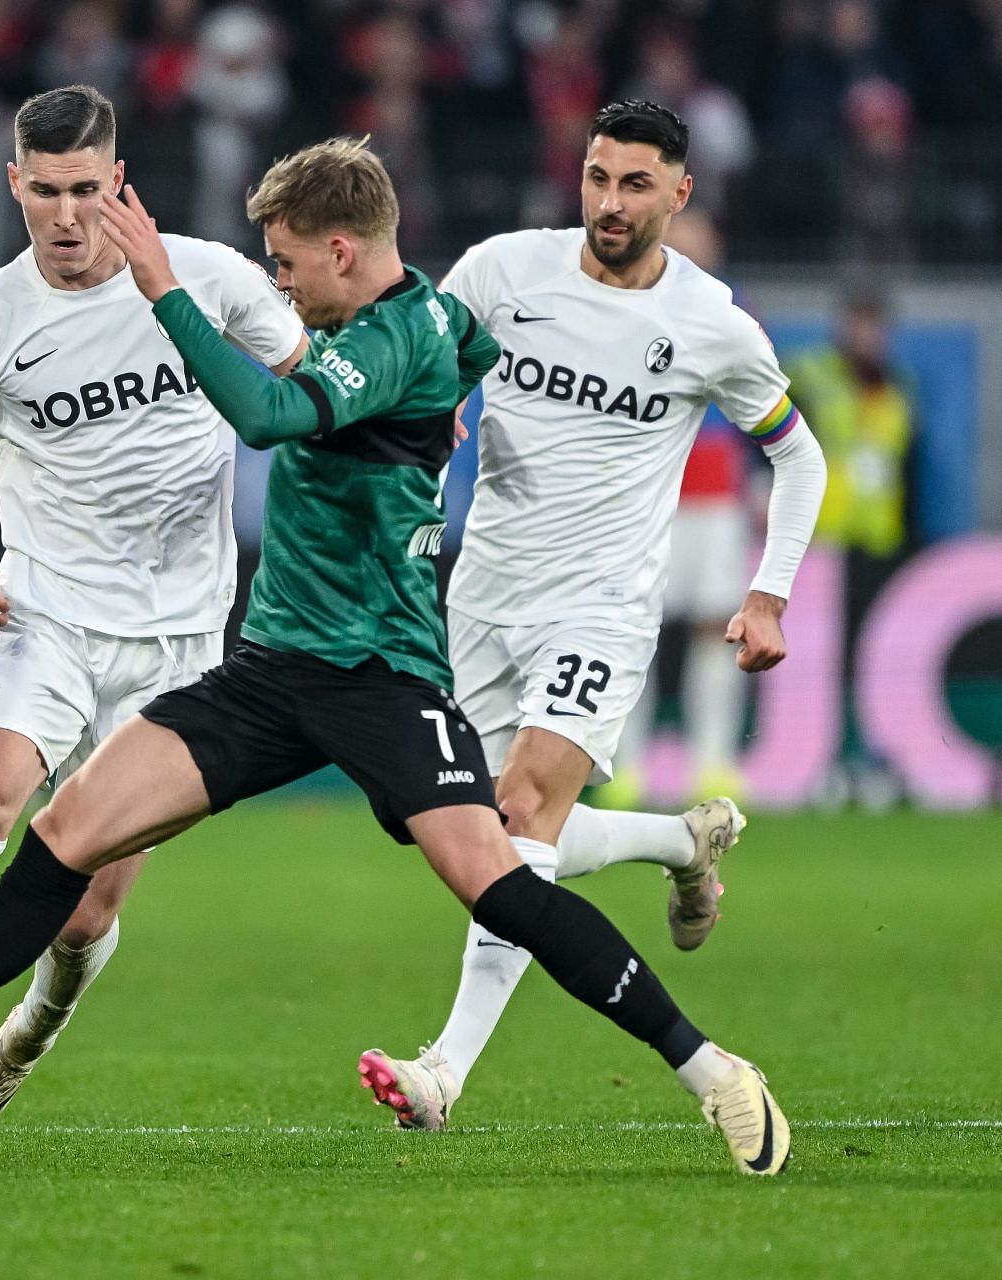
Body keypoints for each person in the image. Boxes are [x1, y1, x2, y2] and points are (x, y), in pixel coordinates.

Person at [0, 136, 792, 1176]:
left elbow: (273, 411)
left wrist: (163, 290)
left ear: (340, 250)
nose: (277, 286)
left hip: (381, 673)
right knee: (64, 833)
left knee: (500, 881)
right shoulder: (420, 328)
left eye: (285, 262)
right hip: (273, 666)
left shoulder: (394, 336)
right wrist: (439, 424)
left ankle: (712, 1069)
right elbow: (459, 359)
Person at [0, 84, 307, 1160]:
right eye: (44, 192)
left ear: (119, 186)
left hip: (183, 639)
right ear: (15, 184)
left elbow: (313, 381)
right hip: (43, 609)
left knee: (87, 911)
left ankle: (25, 1036)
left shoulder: (209, 278)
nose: (64, 215)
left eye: (85, 192)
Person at [356, 101, 827, 1134]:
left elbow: (799, 453)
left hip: (601, 607)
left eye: (636, 185)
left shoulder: (711, 324)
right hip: (481, 594)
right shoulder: (501, 271)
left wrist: (769, 589)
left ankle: (443, 1071)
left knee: (519, 817)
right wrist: (441, 399)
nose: (610, 204)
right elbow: (423, 360)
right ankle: (677, 839)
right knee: (460, 833)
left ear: (680, 193)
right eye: (598, 178)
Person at [603, 210, 754, 807]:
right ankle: (626, 765)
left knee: (716, 626)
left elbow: (762, 404)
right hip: (647, 493)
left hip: (716, 495)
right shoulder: (625, 311)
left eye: (699, 237)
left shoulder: (735, 317)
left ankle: (713, 762)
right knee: (632, 627)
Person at [785, 285, 916, 804]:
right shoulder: (813, 376)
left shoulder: (898, 387)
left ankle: (866, 757)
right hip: (820, 541)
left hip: (876, 542)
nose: (866, 336)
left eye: (875, 325)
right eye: (858, 324)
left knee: (874, 656)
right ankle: (819, 757)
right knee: (818, 657)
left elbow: (907, 464)